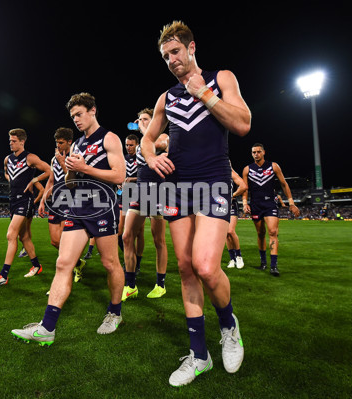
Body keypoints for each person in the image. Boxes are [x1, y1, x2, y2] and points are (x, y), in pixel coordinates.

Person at [141, 21, 251, 386]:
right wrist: (151, 157)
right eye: (165, 56)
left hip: (213, 182)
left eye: (175, 51)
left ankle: (228, 325)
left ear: (191, 48)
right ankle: (198, 355)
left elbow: (243, 124)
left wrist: (204, 93)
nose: (171, 60)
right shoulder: (165, 98)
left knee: (206, 265)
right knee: (186, 269)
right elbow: (147, 139)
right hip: (175, 187)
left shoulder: (221, 78)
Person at [11, 92, 126, 345]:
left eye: (79, 114)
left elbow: (119, 176)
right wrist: (68, 171)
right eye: (73, 116)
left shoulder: (110, 138)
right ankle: (47, 327)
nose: (76, 119)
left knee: (110, 263)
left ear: (93, 110)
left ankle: (114, 313)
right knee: (63, 263)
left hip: (102, 207)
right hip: (77, 207)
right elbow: (71, 182)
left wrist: (84, 168)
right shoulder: (76, 145)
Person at [0, 128, 51, 287]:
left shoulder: (30, 157)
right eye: (10, 141)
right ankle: (36, 266)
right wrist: (12, 180)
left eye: (14, 141)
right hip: (13, 200)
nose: (11, 143)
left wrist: (34, 180)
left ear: (22, 141)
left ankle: (3, 275)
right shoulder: (7, 159)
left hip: (25, 201)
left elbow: (49, 170)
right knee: (24, 237)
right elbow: (7, 173)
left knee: (11, 235)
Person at [122, 108, 169, 300]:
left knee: (158, 240)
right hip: (140, 191)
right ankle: (130, 284)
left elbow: (159, 143)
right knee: (126, 236)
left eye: (145, 119)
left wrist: (143, 129)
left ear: (154, 120)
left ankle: (160, 284)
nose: (141, 122)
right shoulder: (143, 140)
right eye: (139, 119)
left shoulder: (163, 135)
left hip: (158, 191)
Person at [242, 143, 301, 276]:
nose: (256, 154)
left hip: (270, 204)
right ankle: (263, 263)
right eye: (253, 152)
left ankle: (273, 266)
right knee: (260, 233)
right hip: (255, 205)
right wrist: (245, 203)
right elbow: (245, 189)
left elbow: (284, 184)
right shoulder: (247, 169)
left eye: (258, 152)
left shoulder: (273, 166)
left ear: (264, 152)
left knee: (273, 232)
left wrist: (291, 202)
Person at [36, 127, 87, 282]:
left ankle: (67, 274)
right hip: (56, 201)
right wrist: (43, 200)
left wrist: (63, 162)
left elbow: (74, 181)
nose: (58, 146)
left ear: (69, 142)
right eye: (56, 143)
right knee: (55, 241)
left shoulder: (76, 157)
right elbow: (51, 180)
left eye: (61, 143)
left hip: (70, 200)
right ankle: (78, 262)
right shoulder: (54, 159)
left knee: (66, 242)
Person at [119, 133, 144, 269]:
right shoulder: (124, 159)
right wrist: (119, 181)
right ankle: (130, 256)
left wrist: (131, 179)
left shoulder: (141, 157)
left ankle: (137, 262)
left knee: (139, 231)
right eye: (127, 145)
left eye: (131, 145)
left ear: (137, 145)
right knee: (120, 231)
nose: (128, 147)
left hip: (139, 193)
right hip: (125, 195)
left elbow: (145, 175)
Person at [225, 163, 247, 269]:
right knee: (225, 234)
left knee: (230, 231)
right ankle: (232, 259)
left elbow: (243, 186)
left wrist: (232, 195)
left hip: (231, 204)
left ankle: (239, 256)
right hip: (219, 205)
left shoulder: (230, 172)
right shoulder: (214, 172)